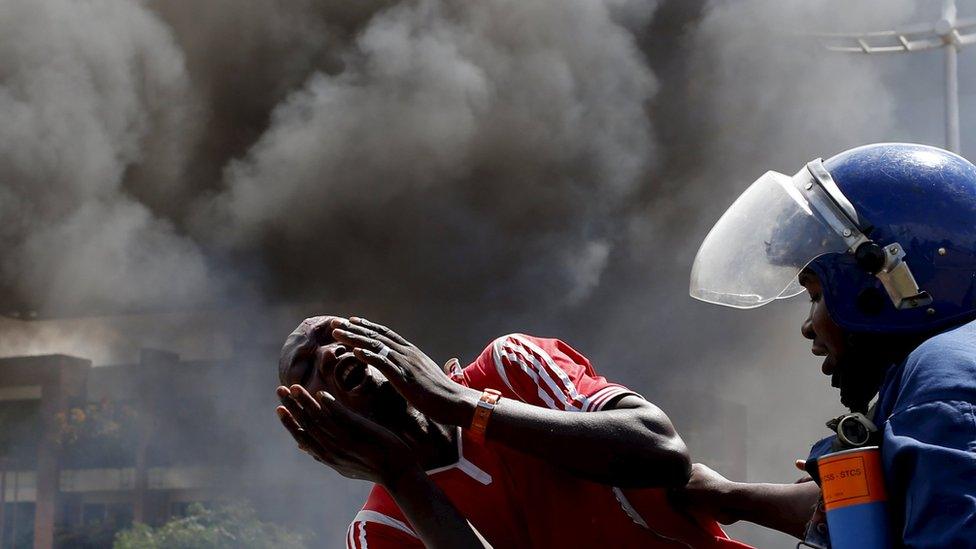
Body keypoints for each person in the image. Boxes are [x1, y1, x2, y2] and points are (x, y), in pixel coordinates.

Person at [679, 143, 976, 547]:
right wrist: (731, 497)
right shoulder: (953, 369)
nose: (808, 327)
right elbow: (898, 511)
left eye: (816, 295)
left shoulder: (942, 381)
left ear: (891, 282)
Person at [276, 315, 752, 548]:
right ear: (315, 426)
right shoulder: (379, 532)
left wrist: (461, 404)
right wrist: (401, 476)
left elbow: (662, 452)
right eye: (307, 367)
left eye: (335, 334)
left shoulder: (508, 369)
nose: (328, 354)